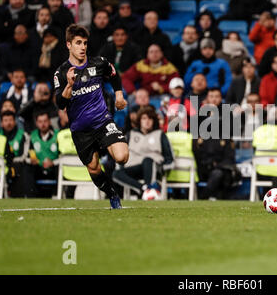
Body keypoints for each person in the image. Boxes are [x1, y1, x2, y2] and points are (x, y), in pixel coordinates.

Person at [54, 24, 129, 209]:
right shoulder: (62, 72)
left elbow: (113, 74)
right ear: (68, 45)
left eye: (85, 43)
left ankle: (108, 147)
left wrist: (119, 94)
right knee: (94, 168)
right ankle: (112, 194)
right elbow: (60, 104)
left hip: (102, 121)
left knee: (122, 157)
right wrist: (69, 86)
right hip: (81, 130)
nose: (82, 47)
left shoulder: (99, 63)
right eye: (78, 43)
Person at [113, 106, 174, 198]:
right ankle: (144, 189)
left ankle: (149, 188)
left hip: (153, 167)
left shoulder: (160, 134)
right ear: (140, 120)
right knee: (116, 173)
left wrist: (162, 168)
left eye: (150, 118)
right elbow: (122, 153)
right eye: (144, 118)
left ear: (154, 121)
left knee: (148, 160)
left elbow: (170, 159)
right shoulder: (131, 134)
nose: (147, 121)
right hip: (133, 167)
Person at [193, 88, 238, 200]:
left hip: (220, 161)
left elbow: (229, 136)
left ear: (221, 98)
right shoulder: (199, 116)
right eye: (211, 96)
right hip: (203, 164)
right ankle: (208, 196)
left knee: (221, 173)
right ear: (207, 98)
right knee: (217, 173)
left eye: (217, 96)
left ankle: (204, 197)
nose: (214, 99)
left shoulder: (227, 115)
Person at [0, 110, 33, 197]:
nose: (8, 123)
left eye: (10, 120)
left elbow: (24, 156)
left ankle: (18, 196)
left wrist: (10, 162)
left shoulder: (23, 135)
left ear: (15, 122)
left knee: (20, 167)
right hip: (0, 166)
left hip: (17, 165)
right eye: (5, 120)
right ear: (1, 123)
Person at [28, 111, 59, 197]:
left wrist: (53, 162)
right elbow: (28, 155)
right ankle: (31, 196)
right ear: (36, 123)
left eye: (45, 121)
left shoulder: (58, 135)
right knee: (27, 168)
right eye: (40, 122)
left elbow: (62, 156)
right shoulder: (32, 136)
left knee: (60, 168)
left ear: (49, 121)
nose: (43, 124)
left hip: (53, 168)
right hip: (38, 168)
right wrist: (32, 160)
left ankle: (57, 195)